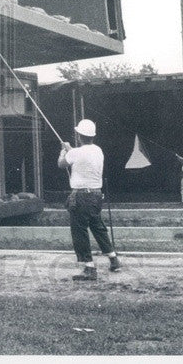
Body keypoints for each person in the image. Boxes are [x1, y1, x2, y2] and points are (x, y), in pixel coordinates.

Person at [57, 119, 121, 281]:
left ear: (79, 136)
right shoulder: (98, 150)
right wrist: (70, 149)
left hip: (81, 196)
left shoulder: (75, 153)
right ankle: (113, 259)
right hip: (96, 195)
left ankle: (89, 268)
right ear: (92, 136)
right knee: (97, 226)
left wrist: (63, 151)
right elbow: (81, 157)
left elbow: (61, 164)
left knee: (79, 231)